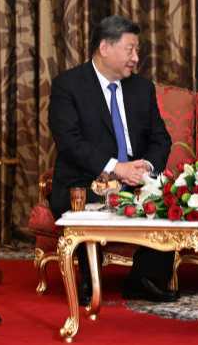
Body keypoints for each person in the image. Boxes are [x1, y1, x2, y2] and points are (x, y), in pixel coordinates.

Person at [48, 15, 176, 304]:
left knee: (171, 200)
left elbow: (161, 138)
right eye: (130, 49)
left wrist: (146, 168)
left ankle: (143, 277)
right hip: (85, 177)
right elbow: (70, 142)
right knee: (81, 200)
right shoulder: (68, 85)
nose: (136, 57)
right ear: (105, 48)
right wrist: (116, 168)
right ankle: (88, 277)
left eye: (137, 50)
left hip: (136, 176)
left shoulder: (142, 88)